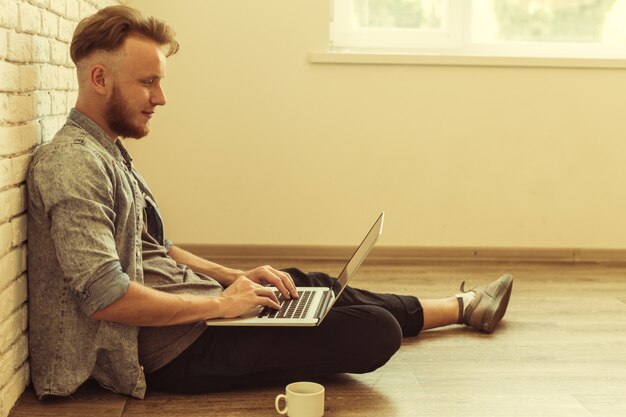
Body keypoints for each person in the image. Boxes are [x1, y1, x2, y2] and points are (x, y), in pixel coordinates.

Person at [26, 5, 513, 400]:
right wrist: (220, 304)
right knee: (374, 331)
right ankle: (458, 308)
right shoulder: (71, 165)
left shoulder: (107, 150)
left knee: (310, 286)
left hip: (196, 310)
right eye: (148, 82)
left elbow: (157, 247)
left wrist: (232, 277)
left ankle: (462, 306)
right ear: (98, 78)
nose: (162, 97)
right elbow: (106, 296)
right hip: (176, 349)